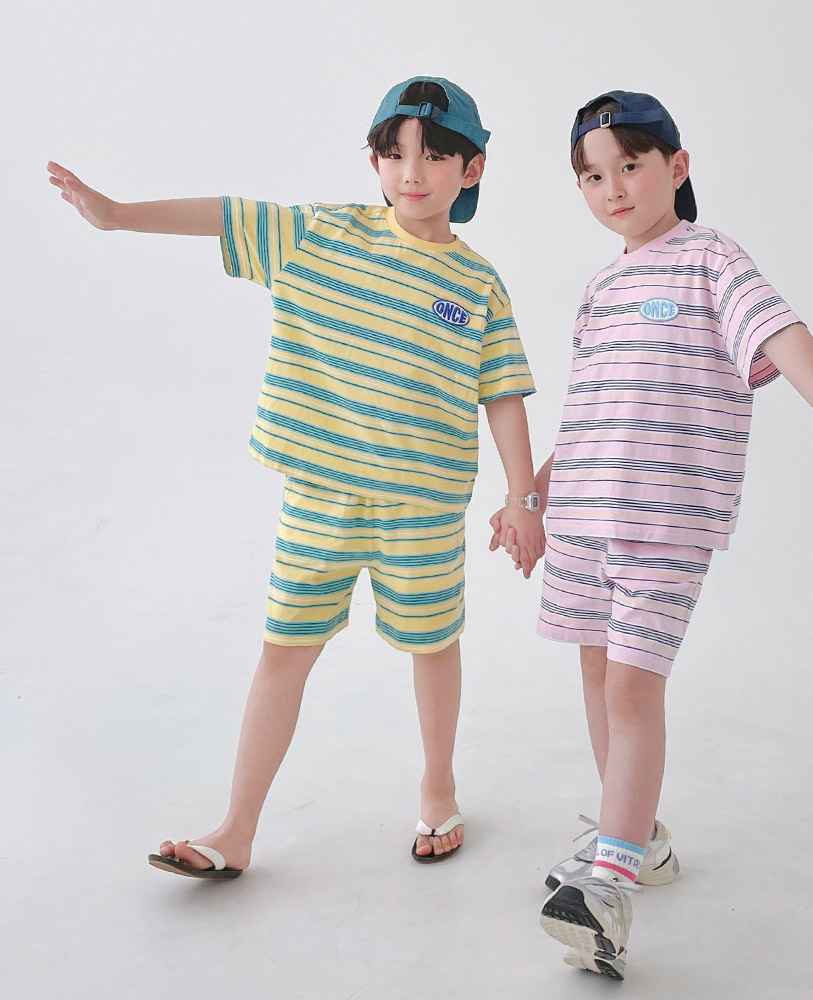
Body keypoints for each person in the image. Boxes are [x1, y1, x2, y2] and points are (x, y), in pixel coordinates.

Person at [490, 90, 813, 979]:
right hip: (581, 518)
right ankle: (637, 838)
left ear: (677, 166)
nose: (613, 188)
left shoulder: (711, 259)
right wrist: (532, 499)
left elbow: (780, 332)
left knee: (633, 691)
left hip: (664, 522)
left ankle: (607, 888)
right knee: (597, 677)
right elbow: (590, 413)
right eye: (593, 176)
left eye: (630, 166)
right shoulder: (600, 288)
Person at [48, 75, 545, 878]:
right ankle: (236, 829)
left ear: (472, 169)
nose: (411, 173)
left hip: (422, 510)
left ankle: (439, 787)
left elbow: (505, 395)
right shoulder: (320, 234)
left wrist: (522, 499)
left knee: (433, 645)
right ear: (375, 163)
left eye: (433, 156)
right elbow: (226, 213)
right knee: (284, 649)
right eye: (393, 154)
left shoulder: (478, 284)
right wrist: (115, 214)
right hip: (321, 497)